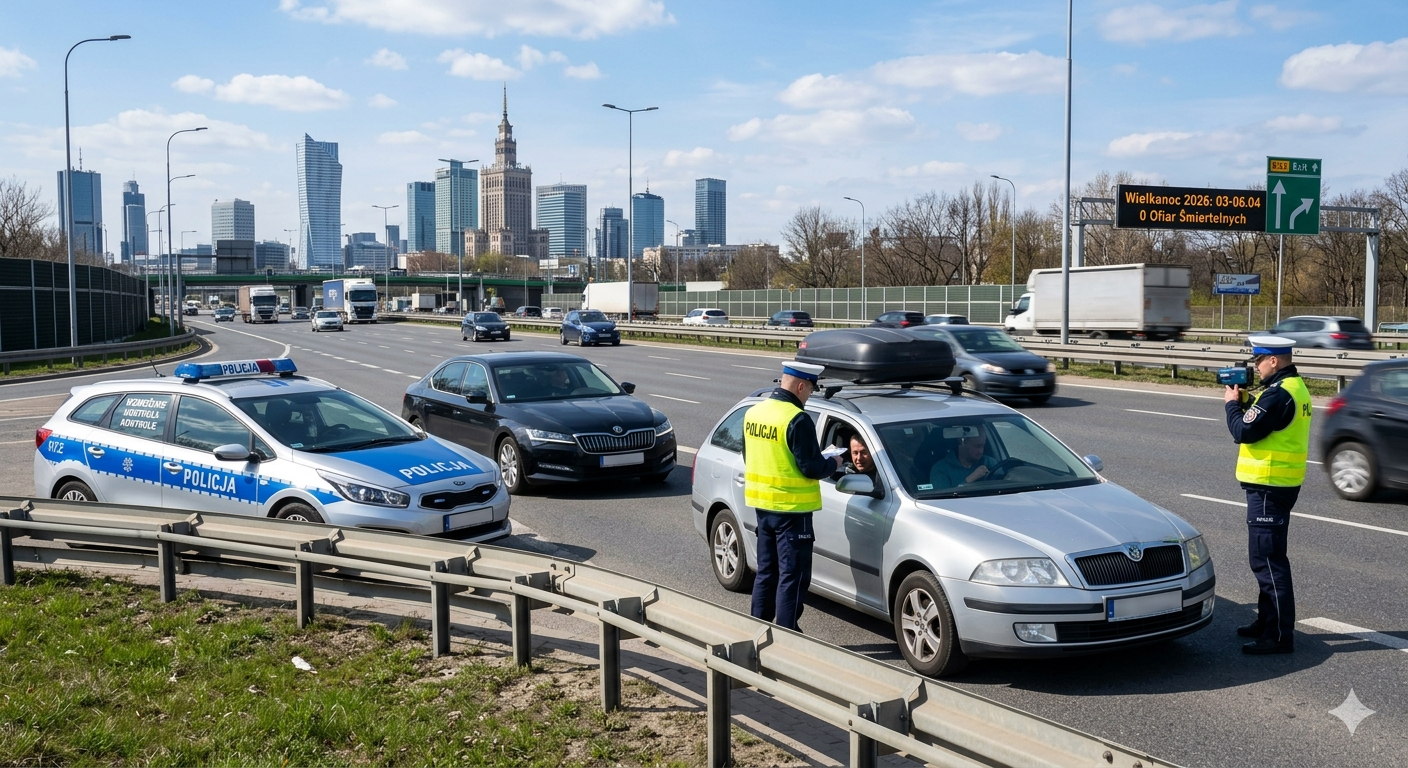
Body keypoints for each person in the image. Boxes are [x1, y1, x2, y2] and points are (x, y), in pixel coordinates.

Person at [1223, 335, 1311, 655]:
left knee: (1268, 562)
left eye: (1258, 360)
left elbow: (1244, 430)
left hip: (1268, 487)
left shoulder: (1278, 394)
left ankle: (1278, 636)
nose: (1255, 367)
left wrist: (1232, 405)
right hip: (1278, 485)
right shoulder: (1293, 388)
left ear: (1274, 360)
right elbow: (1267, 422)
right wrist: (1248, 403)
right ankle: (1266, 621)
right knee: (1267, 558)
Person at [742, 360, 844, 632]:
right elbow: (811, 467)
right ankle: (787, 634)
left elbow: (748, 455)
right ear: (800, 386)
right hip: (792, 511)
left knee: (767, 572)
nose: (809, 395)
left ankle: (758, 630)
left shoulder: (754, 413)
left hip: (762, 508)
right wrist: (834, 463)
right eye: (810, 390)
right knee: (792, 576)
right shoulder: (797, 419)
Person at [929, 428, 997, 489]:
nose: (981, 451)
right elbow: (942, 500)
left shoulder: (990, 463)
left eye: (983, 446)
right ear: (962, 443)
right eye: (977, 446)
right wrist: (971, 479)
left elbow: (1004, 481)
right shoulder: (941, 469)